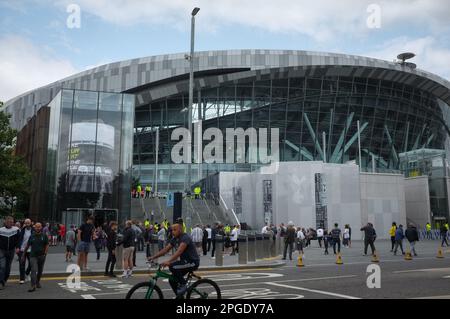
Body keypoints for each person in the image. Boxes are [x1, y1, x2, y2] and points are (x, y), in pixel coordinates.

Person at [148, 222, 200, 296]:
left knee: (172, 266)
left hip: (192, 262)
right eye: (172, 230)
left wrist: (168, 261)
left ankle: (183, 284)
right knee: (172, 280)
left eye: (174, 230)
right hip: (184, 262)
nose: (172, 232)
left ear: (180, 230)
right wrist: (153, 257)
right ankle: (180, 297)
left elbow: (179, 251)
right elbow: (165, 250)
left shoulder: (185, 238)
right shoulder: (175, 239)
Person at [23, 222, 49, 292]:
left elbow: (47, 245)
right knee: (33, 270)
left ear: (41, 227)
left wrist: (45, 254)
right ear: (34, 227)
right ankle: (33, 285)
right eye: (36, 227)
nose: (38, 228)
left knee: (40, 271)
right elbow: (27, 246)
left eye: (39, 227)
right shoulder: (32, 236)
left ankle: (37, 282)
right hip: (33, 256)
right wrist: (23, 255)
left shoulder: (44, 235)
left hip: (42, 256)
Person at [0, 216, 21, 290]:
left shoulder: (16, 230)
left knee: (8, 268)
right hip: (2, 250)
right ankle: (1, 282)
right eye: (8, 222)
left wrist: (18, 247)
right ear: (5, 222)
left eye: (11, 222)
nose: (10, 223)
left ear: (13, 222)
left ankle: (4, 280)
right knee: (2, 266)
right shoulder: (1, 230)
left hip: (11, 250)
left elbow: (19, 239)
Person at [18, 219, 33, 284]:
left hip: (30, 249)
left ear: (30, 223)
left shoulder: (33, 230)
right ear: (24, 223)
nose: (27, 224)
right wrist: (18, 247)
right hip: (22, 249)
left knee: (31, 263)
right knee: (22, 264)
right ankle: (22, 279)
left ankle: (27, 273)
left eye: (28, 223)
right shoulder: (22, 230)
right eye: (26, 223)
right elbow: (19, 240)